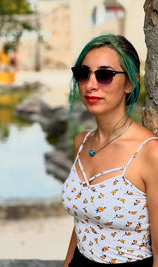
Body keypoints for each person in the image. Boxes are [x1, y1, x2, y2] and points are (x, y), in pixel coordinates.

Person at [62, 34, 158, 266]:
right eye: (84, 74)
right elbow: (84, 220)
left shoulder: (150, 153)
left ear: (130, 83)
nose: (90, 84)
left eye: (105, 75)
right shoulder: (82, 142)